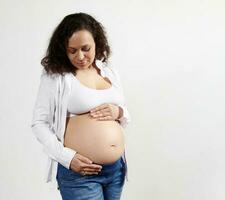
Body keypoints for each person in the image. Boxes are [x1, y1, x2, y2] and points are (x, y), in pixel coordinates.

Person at [31, 12, 131, 200]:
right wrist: (67, 158)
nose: (80, 56)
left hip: (115, 171)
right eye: (72, 50)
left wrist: (118, 111)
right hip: (80, 174)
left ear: (97, 43)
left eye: (86, 48)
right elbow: (39, 123)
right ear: (63, 49)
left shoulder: (109, 72)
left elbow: (125, 114)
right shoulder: (56, 77)